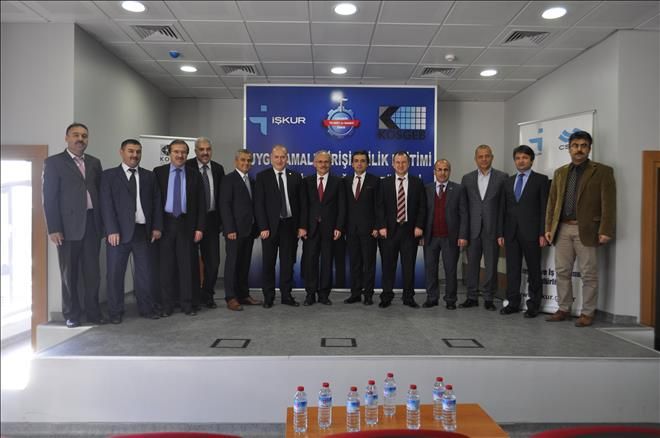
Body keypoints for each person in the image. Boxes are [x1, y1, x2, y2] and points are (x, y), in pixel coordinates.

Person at [545, 131, 616, 327]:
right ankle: (563, 309)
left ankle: (587, 312)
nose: (579, 149)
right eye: (575, 145)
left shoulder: (602, 171)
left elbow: (609, 204)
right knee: (562, 271)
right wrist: (549, 227)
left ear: (589, 148)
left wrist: (605, 229)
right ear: (569, 148)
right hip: (562, 228)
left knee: (588, 274)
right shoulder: (560, 172)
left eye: (583, 145)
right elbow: (552, 202)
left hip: (587, 229)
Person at [43, 122, 106, 327]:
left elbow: (100, 194)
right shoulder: (54, 163)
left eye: (84, 136)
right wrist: (54, 228)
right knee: (69, 274)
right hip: (67, 228)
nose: (80, 139)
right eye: (76, 135)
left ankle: (93, 313)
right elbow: (49, 198)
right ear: (67, 138)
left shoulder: (95, 162)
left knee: (92, 274)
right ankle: (72, 314)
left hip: (92, 225)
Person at [100, 139, 162, 323]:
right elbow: (106, 205)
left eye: (138, 152)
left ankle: (146, 308)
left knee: (145, 274)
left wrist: (157, 227)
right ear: (121, 152)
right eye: (131, 151)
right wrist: (111, 230)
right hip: (117, 234)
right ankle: (115, 312)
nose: (135, 155)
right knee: (115, 274)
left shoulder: (149, 176)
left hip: (143, 232)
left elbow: (156, 202)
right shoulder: (109, 176)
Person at [153, 139, 206, 317]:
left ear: (187, 154)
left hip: (187, 224)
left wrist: (200, 228)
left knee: (187, 267)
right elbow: (154, 202)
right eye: (176, 151)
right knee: (165, 268)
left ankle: (187, 304)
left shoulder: (194, 174)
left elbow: (201, 203)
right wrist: (156, 226)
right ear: (169, 153)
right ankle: (167, 305)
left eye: (183, 152)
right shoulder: (158, 173)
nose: (180, 155)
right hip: (165, 225)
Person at [497, 145, 549, 318]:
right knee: (512, 269)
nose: (521, 161)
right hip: (510, 233)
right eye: (518, 158)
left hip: (532, 233)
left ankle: (533, 305)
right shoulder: (507, 182)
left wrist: (542, 233)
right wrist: (500, 233)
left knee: (534, 270)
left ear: (531, 160)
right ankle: (512, 303)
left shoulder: (541, 180)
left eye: (525, 158)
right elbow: (502, 209)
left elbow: (544, 209)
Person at [460, 144, 507, 311]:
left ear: (492, 157)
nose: (484, 159)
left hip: (492, 229)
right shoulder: (467, 178)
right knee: (472, 265)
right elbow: (464, 208)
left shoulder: (502, 177)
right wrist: (463, 232)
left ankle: (489, 298)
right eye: (480, 156)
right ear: (475, 159)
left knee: (491, 265)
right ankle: (471, 297)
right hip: (472, 229)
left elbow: (503, 208)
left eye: (487, 156)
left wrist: (501, 231)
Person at [377, 151, 426, 308]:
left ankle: (408, 297)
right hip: (389, 232)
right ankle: (386, 296)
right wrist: (382, 226)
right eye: (397, 162)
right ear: (392, 164)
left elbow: (422, 207)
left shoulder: (417, 182)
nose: (400, 165)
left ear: (408, 164)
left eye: (403, 162)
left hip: (410, 232)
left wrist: (419, 226)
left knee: (408, 267)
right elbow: (379, 207)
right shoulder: (384, 183)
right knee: (388, 266)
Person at [254, 144, 302, 308]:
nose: (280, 160)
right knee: (268, 263)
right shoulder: (262, 176)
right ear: (271, 158)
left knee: (287, 263)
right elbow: (259, 204)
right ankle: (268, 297)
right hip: (269, 227)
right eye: (276, 157)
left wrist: (301, 226)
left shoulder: (295, 176)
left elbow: (301, 204)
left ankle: (286, 295)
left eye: (282, 157)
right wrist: (263, 227)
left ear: (287, 158)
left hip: (290, 226)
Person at [298, 150, 345, 306]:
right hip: (311, 230)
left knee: (327, 262)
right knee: (310, 262)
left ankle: (324, 294)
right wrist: (302, 227)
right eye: (320, 161)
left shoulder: (338, 182)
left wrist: (339, 227)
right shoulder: (306, 181)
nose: (323, 164)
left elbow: (342, 207)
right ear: (314, 163)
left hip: (330, 229)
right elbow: (303, 206)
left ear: (330, 164)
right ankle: (310, 294)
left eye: (326, 162)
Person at [423, 159, 468, 310]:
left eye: (445, 169)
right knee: (430, 269)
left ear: (450, 171)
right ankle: (432, 298)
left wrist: (462, 235)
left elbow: (464, 214)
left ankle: (450, 300)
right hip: (431, 237)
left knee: (450, 270)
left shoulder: (458, 189)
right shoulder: (427, 189)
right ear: (434, 172)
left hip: (451, 237)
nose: (442, 173)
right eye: (439, 169)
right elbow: (422, 213)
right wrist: (421, 234)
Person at [220, 149, 261, 311]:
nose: (246, 163)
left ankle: (243, 295)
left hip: (248, 231)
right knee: (232, 265)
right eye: (243, 160)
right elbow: (225, 205)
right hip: (234, 231)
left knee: (244, 264)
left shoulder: (252, 181)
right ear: (236, 161)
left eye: (249, 160)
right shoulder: (228, 179)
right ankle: (231, 297)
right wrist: (229, 228)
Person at [186, 137, 224, 310]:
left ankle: (207, 294)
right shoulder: (186, 167)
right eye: (201, 149)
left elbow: (222, 197)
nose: (205, 152)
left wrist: (223, 222)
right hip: (191, 223)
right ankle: (193, 296)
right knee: (190, 262)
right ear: (195, 151)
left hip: (212, 221)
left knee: (213, 262)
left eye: (208, 149)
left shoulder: (218, 169)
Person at [343, 151, 380, 306]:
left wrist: (377, 226)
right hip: (351, 230)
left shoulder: (375, 181)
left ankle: (368, 295)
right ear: (352, 163)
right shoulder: (345, 181)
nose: (359, 163)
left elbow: (379, 206)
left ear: (367, 163)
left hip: (369, 231)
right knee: (355, 263)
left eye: (362, 161)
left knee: (369, 264)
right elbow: (343, 207)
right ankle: (355, 294)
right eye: (356, 161)